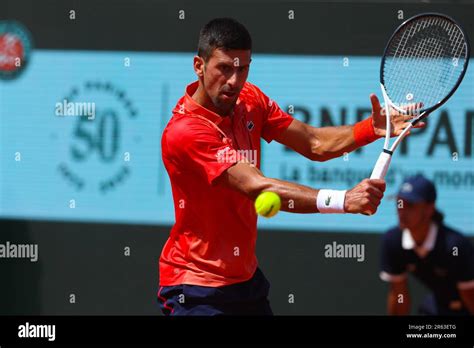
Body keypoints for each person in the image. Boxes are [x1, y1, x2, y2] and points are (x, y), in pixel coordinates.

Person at [159, 17, 419, 315]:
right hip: (195, 288)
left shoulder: (249, 99)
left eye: (242, 68)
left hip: (245, 282)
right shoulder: (186, 132)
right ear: (199, 66)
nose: (234, 80)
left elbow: (313, 142)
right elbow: (257, 186)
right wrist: (344, 200)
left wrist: (370, 129)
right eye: (224, 68)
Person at [380, 174, 474, 315]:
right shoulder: (393, 241)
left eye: (410, 205)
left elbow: (470, 297)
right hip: (436, 306)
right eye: (399, 203)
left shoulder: (455, 246)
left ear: (430, 209)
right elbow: (399, 294)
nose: (402, 211)